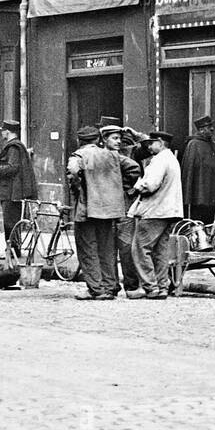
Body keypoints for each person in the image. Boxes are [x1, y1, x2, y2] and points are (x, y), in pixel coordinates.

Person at [67, 124, 129, 300]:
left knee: (88, 249)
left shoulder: (79, 154)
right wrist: (121, 189)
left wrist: (79, 187)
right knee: (107, 249)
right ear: (97, 140)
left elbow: (72, 171)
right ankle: (110, 287)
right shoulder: (112, 155)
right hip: (108, 210)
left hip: (86, 209)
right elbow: (133, 168)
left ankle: (96, 289)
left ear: (80, 141)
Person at [128, 131, 183, 299]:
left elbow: (149, 185)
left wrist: (136, 186)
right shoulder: (171, 159)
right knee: (160, 251)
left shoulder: (159, 160)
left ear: (160, 142)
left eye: (151, 143)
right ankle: (162, 286)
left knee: (140, 249)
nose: (149, 147)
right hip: (169, 211)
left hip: (154, 211)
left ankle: (149, 287)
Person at [101, 123, 144, 297]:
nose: (118, 142)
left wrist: (128, 189)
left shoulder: (127, 153)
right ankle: (111, 286)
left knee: (126, 247)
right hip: (107, 206)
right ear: (104, 139)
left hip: (124, 206)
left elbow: (138, 165)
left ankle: (131, 286)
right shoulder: (101, 155)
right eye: (114, 138)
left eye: (120, 138)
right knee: (108, 247)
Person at [0, 119, 37, 251]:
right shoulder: (17, 146)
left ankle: (12, 251)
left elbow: (13, 168)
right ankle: (13, 250)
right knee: (13, 222)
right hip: (12, 190)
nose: (2, 134)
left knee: (10, 222)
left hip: (10, 191)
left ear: (7, 132)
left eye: (3, 131)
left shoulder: (13, 147)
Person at [181, 115, 215, 226]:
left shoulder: (210, 144)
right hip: (198, 194)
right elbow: (190, 171)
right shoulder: (194, 144)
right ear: (201, 129)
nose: (212, 129)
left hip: (210, 192)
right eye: (208, 127)